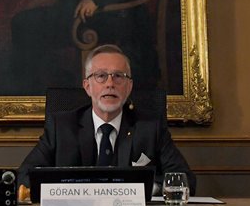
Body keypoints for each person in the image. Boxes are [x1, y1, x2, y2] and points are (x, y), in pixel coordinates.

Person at [17, 44, 194, 197]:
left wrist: (142, 189)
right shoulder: (62, 126)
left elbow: (185, 181)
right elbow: (24, 177)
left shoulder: (150, 127)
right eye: (101, 76)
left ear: (129, 86)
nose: (110, 83)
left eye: (118, 76)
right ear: (87, 86)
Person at [5, 0, 158, 96]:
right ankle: (28, 98)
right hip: (73, 13)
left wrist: (97, 0)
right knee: (23, 22)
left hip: (110, 16)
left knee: (29, 25)